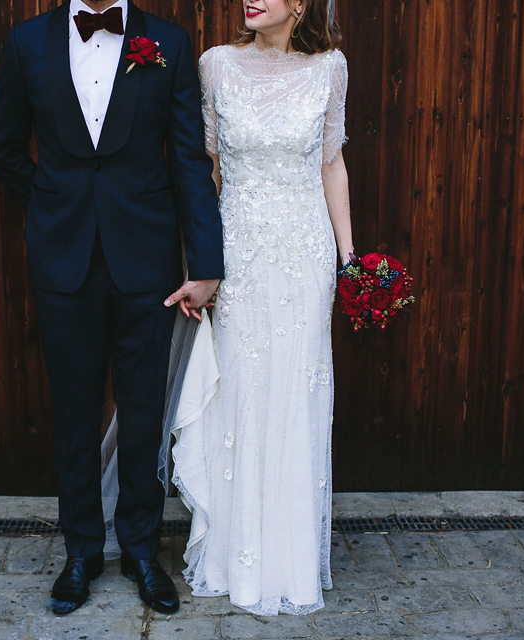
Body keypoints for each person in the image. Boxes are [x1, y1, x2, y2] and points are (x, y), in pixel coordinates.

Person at [0, 0, 224, 615]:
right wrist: (48, 203)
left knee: (144, 412)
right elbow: (5, 146)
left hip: (145, 259)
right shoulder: (26, 42)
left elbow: (189, 161)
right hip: (63, 256)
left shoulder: (166, 41)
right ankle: (81, 551)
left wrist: (205, 264)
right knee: (72, 411)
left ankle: (142, 550)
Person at [170, 0, 352, 616]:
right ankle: (234, 552)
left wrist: (349, 258)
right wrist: (200, 266)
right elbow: (209, 170)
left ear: (300, 3)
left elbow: (332, 163)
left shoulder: (331, 68)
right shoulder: (216, 65)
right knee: (242, 391)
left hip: (305, 252)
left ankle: (289, 559)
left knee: (294, 394)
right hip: (239, 250)